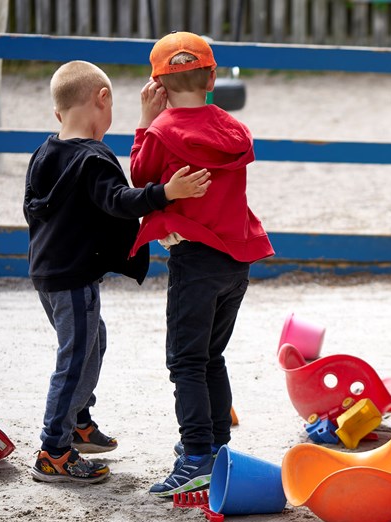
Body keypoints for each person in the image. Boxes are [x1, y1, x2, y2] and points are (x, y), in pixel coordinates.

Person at [25, 60, 211, 484]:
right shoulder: (93, 159)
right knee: (74, 358)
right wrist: (167, 193)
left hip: (46, 273)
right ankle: (54, 450)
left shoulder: (45, 151)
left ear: (59, 113)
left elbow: (33, 207)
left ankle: (78, 421)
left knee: (92, 340)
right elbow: (119, 200)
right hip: (73, 278)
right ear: (102, 99)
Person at [129, 31, 275, 498]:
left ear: (158, 84)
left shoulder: (161, 132)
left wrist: (144, 122)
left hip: (194, 260)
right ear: (212, 77)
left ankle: (195, 457)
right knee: (211, 356)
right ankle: (216, 446)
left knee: (186, 362)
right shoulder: (233, 130)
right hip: (237, 261)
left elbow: (140, 177)